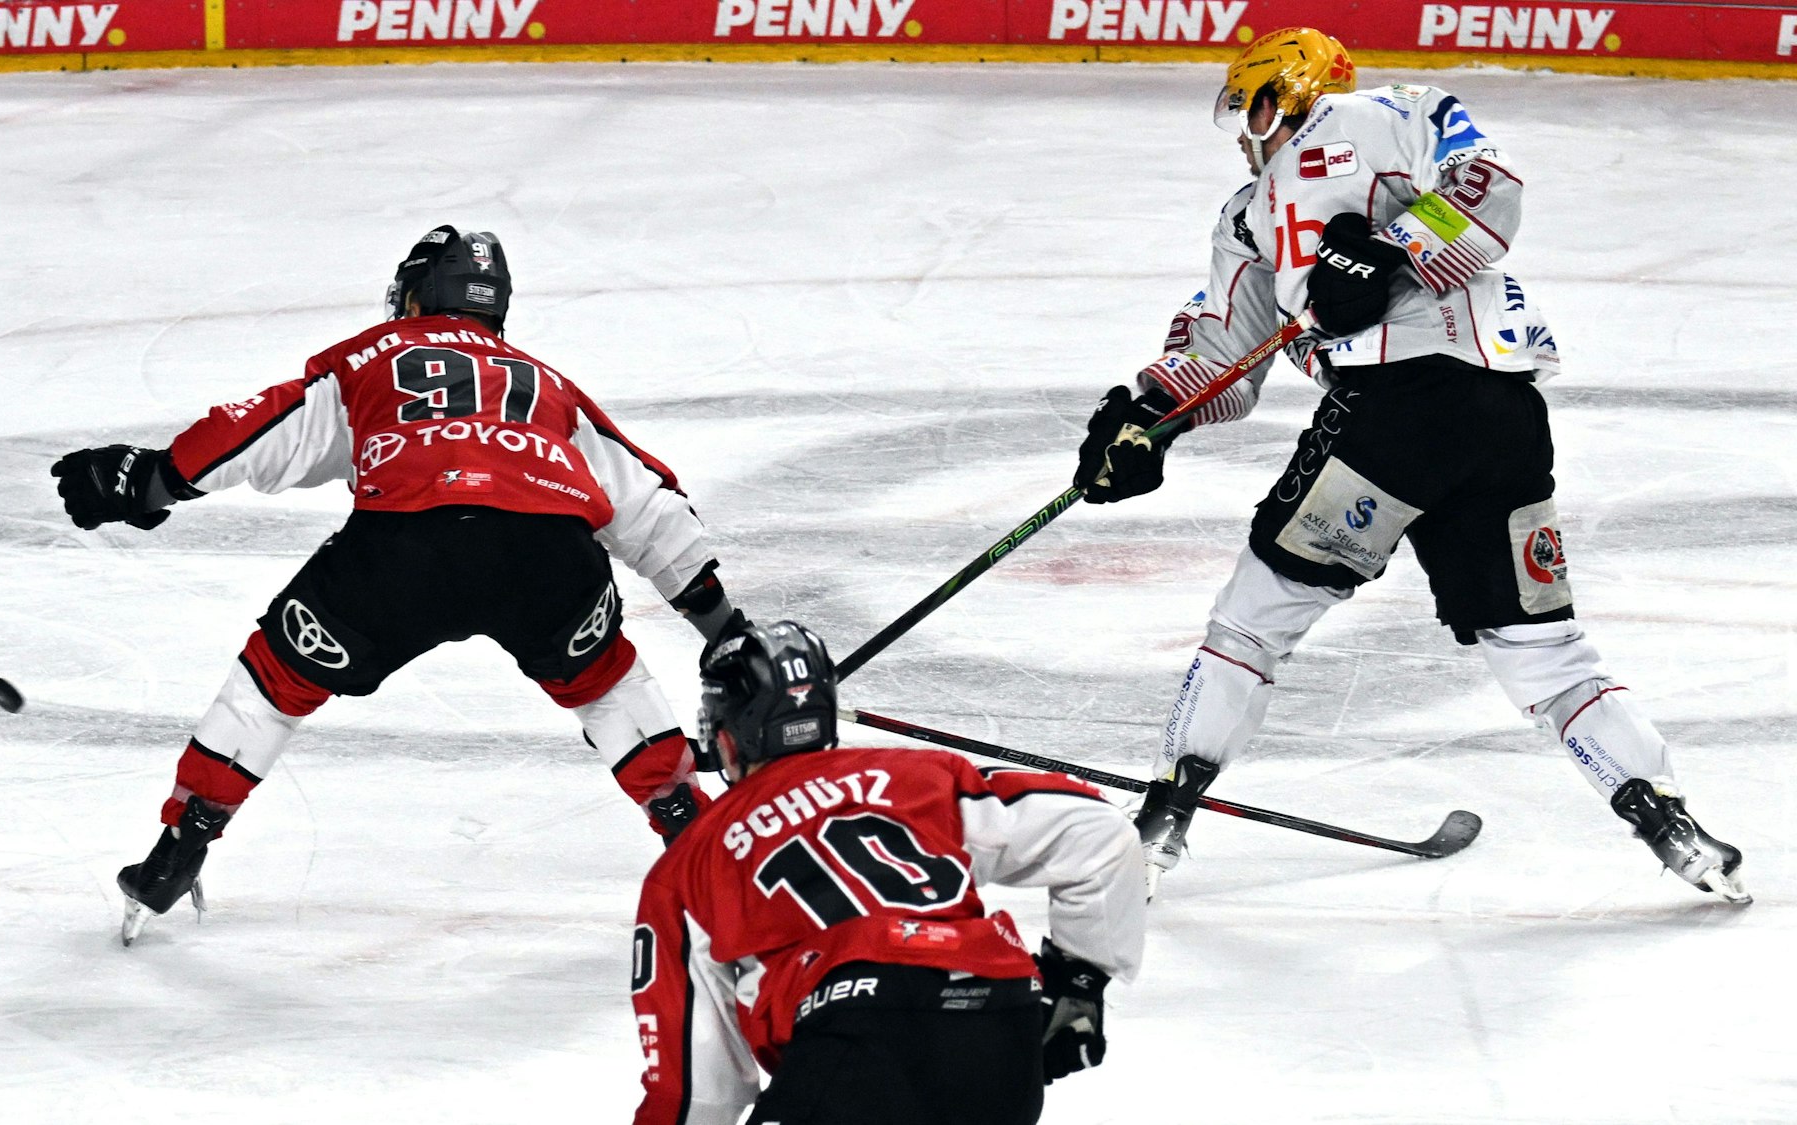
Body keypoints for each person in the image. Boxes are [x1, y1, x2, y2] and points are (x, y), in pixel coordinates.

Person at [1073, 28, 1748, 904]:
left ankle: (1163, 819)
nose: (1247, 133)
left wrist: (1392, 249)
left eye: (1253, 109)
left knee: (1251, 622)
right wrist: (1145, 417)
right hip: (1502, 424)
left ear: (1288, 92)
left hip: (1393, 416)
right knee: (1543, 650)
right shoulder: (1246, 218)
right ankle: (1669, 824)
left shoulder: (1393, 113)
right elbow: (1224, 357)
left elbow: (1488, 184)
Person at [51, 225, 749, 945]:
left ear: (417, 293)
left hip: (404, 549)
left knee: (275, 679)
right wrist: (723, 627)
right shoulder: (549, 386)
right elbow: (649, 506)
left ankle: (181, 844)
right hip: (545, 553)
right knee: (604, 680)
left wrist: (155, 481)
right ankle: (691, 836)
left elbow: (265, 431)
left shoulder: (371, 356)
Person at [630, 620, 1145, 1125]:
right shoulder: (923, 776)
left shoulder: (690, 862)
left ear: (727, 738)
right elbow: (1100, 832)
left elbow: (695, 1096)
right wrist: (1078, 981)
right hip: (998, 1029)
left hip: (853, 1036)